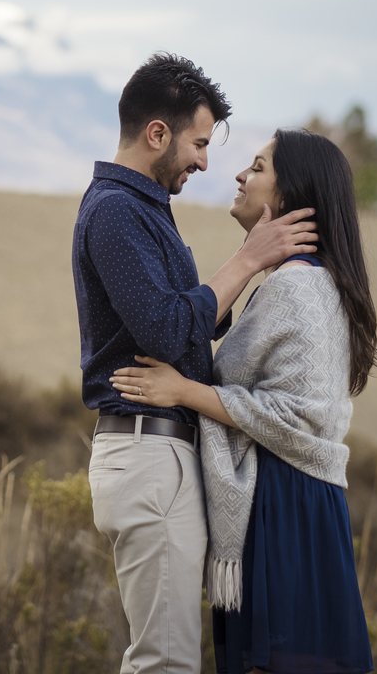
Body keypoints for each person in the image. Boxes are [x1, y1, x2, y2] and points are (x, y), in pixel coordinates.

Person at [73, 53, 319, 673]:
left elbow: (191, 328)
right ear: (158, 133)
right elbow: (165, 329)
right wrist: (244, 263)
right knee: (165, 662)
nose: (206, 162)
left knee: (171, 657)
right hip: (149, 452)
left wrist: (251, 256)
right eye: (199, 144)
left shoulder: (143, 208)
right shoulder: (115, 211)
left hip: (163, 454)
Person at [110, 128, 377, 673]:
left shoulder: (296, 288)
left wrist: (184, 391)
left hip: (284, 506)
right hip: (300, 499)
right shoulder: (315, 282)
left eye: (257, 167)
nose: (238, 174)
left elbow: (295, 415)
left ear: (288, 195)